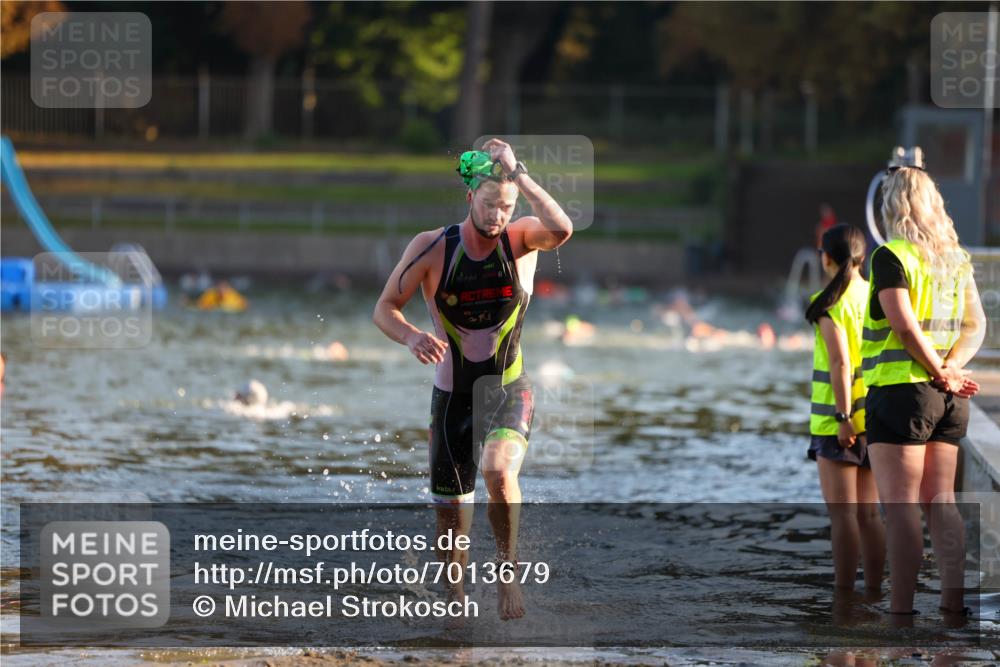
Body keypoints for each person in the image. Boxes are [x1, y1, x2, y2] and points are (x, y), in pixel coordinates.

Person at [373, 138, 573, 620]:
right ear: (470, 198)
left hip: (508, 389)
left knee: (499, 472)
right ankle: (456, 604)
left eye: (506, 207)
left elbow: (562, 228)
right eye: (489, 205)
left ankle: (508, 571)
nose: (497, 216)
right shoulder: (432, 247)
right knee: (452, 519)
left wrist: (519, 174)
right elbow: (384, 309)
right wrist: (411, 336)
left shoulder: (521, 239)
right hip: (453, 397)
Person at [862, 165, 986, 617]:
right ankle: (953, 608)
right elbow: (976, 325)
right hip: (948, 399)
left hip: (902, 394)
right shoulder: (956, 259)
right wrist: (951, 369)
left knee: (900, 509)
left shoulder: (890, 256)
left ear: (893, 205)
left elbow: (903, 325)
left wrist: (938, 370)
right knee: (941, 503)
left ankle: (901, 615)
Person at [804, 224, 885, 593]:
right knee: (870, 515)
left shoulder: (829, 303)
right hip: (876, 416)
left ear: (827, 259)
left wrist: (843, 418)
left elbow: (839, 363)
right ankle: (875, 592)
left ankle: (844, 597)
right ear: (861, 257)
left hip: (839, 422)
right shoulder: (875, 295)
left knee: (843, 516)